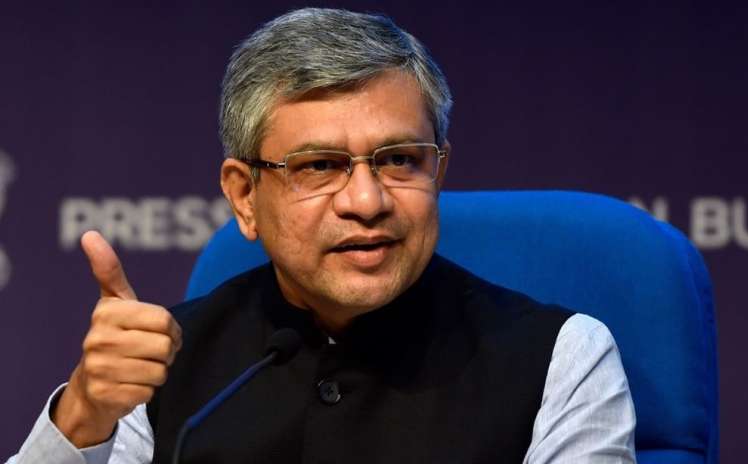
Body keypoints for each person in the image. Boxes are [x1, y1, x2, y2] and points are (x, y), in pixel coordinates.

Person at [8, 8, 636, 463]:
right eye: (319, 166)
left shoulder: (561, 358)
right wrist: (84, 416)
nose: (367, 201)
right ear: (245, 196)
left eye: (400, 160)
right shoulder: (164, 367)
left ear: (438, 171)